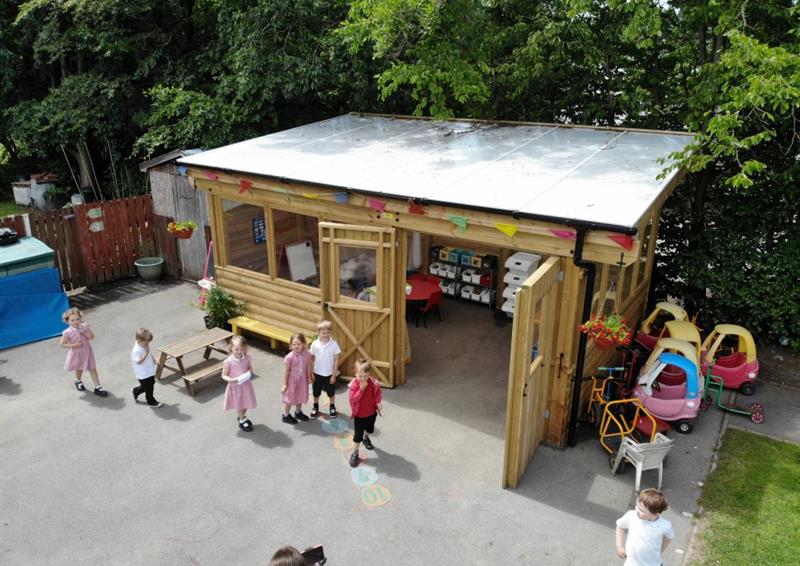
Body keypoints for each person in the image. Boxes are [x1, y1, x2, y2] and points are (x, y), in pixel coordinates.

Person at [615, 488, 674, 566]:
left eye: (641, 510)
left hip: (653, 564)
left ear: (656, 513)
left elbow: (668, 537)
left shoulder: (664, 526)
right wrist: (620, 546)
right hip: (632, 563)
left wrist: (660, 550)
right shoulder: (631, 516)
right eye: (637, 506)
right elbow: (620, 527)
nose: (637, 510)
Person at [59, 307, 107, 396]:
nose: (75, 322)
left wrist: (84, 332)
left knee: (92, 368)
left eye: (77, 319)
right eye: (72, 320)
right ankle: (78, 381)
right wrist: (74, 345)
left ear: (80, 318)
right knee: (79, 369)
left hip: (87, 352)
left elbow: (92, 337)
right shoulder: (67, 332)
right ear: (67, 321)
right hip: (77, 354)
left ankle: (98, 387)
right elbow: (62, 344)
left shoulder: (84, 326)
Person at [348, 358, 382, 468]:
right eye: (360, 376)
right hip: (359, 416)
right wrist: (361, 390)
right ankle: (355, 452)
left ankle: (366, 438)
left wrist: (378, 402)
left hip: (371, 413)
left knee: (370, 429)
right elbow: (353, 399)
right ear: (355, 374)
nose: (363, 379)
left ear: (369, 374)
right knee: (357, 435)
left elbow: (377, 393)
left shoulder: (372, 383)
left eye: (365, 376)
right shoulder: (354, 385)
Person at [222, 335, 257, 432]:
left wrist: (249, 371)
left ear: (245, 348)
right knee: (239, 404)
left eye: (241, 349)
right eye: (236, 349)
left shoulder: (247, 357)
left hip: (246, 385)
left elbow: (250, 368)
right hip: (236, 387)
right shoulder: (228, 362)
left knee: (246, 402)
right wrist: (231, 380)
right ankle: (242, 420)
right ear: (231, 348)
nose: (239, 352)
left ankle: (241, 416)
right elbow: (224, 375)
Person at [309, 321, 341, 419]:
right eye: (323, 333)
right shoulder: (315, 344)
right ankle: (315, 406)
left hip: (329, 374)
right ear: (318, 332)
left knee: (331, 392)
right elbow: (311, 359)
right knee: (316, 392)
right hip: (317, 373)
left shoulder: (334, 344)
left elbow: (336, 360)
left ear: (330, 332)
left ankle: (332, 406)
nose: (326, 335)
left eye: (328, 332)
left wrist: (334, 375)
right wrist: (311, 373)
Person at [281, 333, 313, 424]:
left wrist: (309, 377)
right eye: (294, 344)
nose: (296, 346)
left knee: (300, 395)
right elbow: (286, 372)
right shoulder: (289, 357)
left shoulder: (307, 354)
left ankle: (298, 412)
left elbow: (308, 366)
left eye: (298, 344)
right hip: (292, 381)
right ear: (291, 346)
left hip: (302, 380)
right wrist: (284, 384)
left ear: (303, 344)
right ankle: (286, 415)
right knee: (289, 398)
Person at [130, 328, 162, 408]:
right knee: (149, 389)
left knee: (150, 384)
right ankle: (151, 401)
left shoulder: (145, 346)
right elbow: (139, 361)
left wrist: (154, 360)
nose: (148, 343)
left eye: (148, 342)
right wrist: (146, 353)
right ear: (140, 340)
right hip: (143, 374)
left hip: (149, 371)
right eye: (146, 342)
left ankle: (136, 391)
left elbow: (149, 355)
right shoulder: (136, 350)